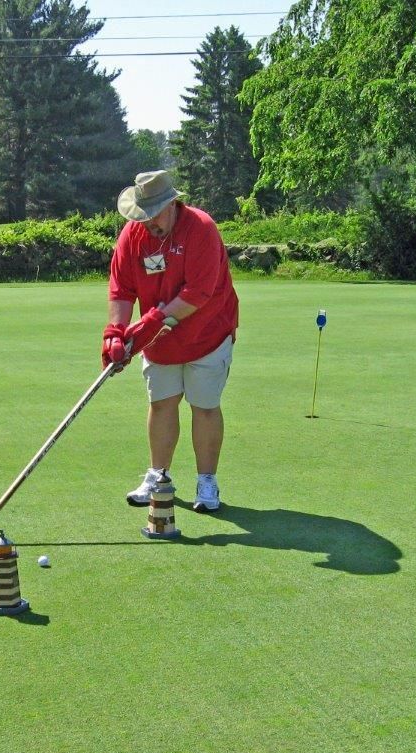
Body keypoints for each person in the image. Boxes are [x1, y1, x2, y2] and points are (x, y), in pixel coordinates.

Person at [101, 170, 238, 511]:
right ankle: (158, 476)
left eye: (154, 214)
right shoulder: (133, 236)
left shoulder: (201, 229)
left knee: (204, 406)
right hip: (160, 342)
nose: (147, 223)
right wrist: (115, 332)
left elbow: (199, 292)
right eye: (142, 215)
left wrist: (152, 322)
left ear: (173, 204)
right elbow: (121, 289)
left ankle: (207, 484)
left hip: (208, 333)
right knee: (161, 403)